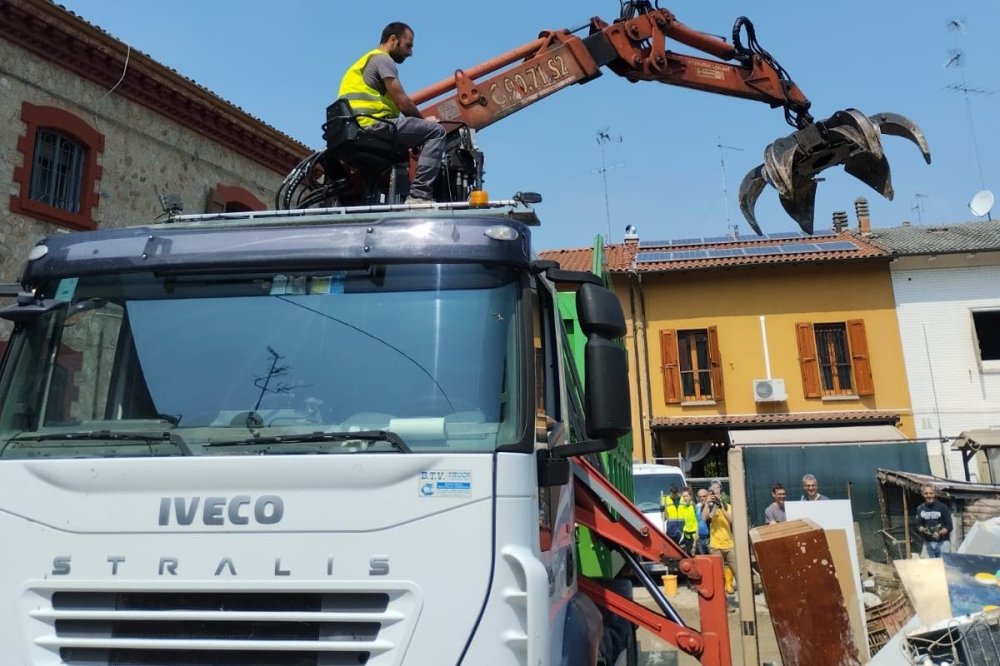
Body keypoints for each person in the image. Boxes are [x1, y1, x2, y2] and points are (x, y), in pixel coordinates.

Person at [337, 22, 446, 204]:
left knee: (402, 152)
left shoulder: (363, 62)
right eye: (408, 45)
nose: (410, 52)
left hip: (357, 127)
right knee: (436, 132)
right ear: (393, 39)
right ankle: (419, 196)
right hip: (372, 125)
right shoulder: (383, 60)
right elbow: (402, 101)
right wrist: (426, 122)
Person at [702, 481, 737, 595]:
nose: (715, 495)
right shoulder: (709, 507)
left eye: (717, 493)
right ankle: (725, 604)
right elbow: (704, 518)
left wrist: (721, 506)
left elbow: (732, 520)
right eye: (713, 493)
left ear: (720, 494)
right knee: (718, 576)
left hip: (729, 545)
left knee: (739, 572)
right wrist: (708, 503)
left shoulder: (727, 506)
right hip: (715, 546)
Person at [916, 484, 953, 559]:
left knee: (943, 567)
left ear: (935, 494)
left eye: (931, 493)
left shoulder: (943, 507)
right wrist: (923, 529)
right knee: (927, 567)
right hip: (928, 543)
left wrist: (939, 533)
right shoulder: (920, 508)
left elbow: (949, 526)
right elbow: (918, 525)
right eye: (926, 493)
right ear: (922, 494)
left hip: (943, 543)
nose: (929, 495)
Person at [693, 488, 711, 555]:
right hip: (701, 539)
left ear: (708, 496)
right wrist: (694, 543)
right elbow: (699, 525)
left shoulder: (711, 507)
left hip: (709, 539)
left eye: (704, 496)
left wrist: (707, 503)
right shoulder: (698, 508)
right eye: (700, 497)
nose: (702, 498)